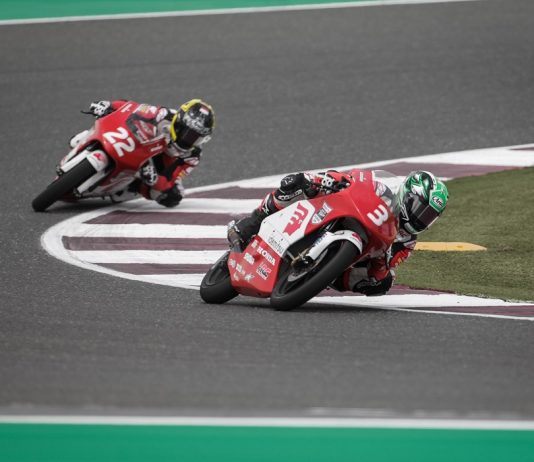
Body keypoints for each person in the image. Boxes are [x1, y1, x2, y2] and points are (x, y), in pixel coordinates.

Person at [228, 169, 449, 296]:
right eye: (421, 209)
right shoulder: (386, 189)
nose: (421, 218)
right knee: (297, 183)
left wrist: (383, 264)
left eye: (428, 216)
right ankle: (252, 222)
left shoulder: (407, 242)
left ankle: (324, 275)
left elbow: (385, 268)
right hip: (342, 211)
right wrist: (329, 180)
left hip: (360, 251)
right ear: (408, 195)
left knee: (383, 284)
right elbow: (356, 178)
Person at [70, 98, 215, 207]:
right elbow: (131, 108)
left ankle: (131, 186)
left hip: (156, 165)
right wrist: (109, 105)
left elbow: (172, 178)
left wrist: (155, 180)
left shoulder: (192, 156)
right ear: (179, 122)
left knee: (173, 196)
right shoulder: (163, 115)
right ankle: (88, 137)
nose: (188, 139)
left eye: (196, 137)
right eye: (187, 133)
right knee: (100, 124)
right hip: (139, 144)